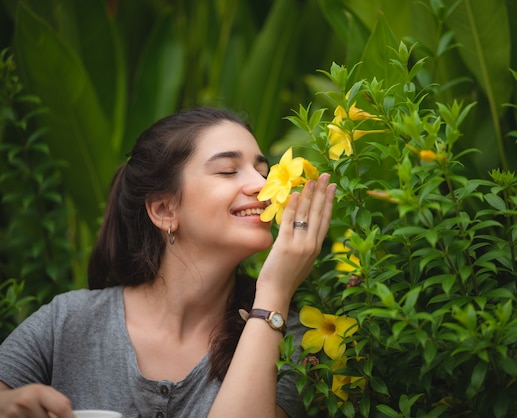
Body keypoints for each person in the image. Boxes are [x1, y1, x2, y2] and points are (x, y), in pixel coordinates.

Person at [0, 107, 336, 417]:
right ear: (164, 210)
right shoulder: (68, 322)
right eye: (228, 170)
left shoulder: (285, 334)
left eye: (263, 172)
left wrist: (274, 292)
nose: (262, 186)